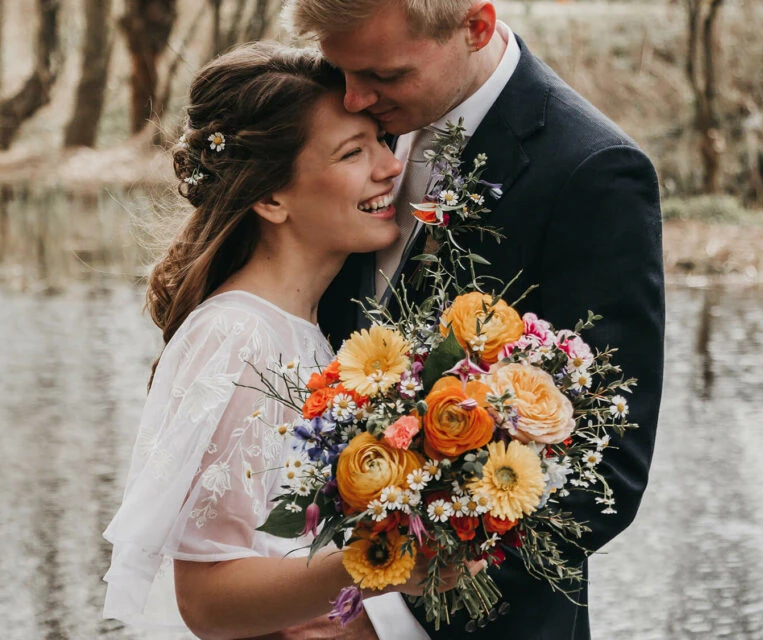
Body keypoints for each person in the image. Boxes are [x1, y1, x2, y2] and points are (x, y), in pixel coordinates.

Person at [284, 1, 666, 638]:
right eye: (340, 69)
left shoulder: (591, 173)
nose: (352, 98)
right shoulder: (337, 113)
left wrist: (380, 611)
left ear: (476, 26)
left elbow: (606, 470)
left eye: (384, 75)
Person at [102, 42, 454, 640]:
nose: (390, 167)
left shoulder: (306, 331)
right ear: (271, 198)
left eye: (379, 141)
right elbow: (206, 599)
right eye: (352, 152)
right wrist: (376, 561)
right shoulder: (238, 336)